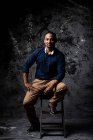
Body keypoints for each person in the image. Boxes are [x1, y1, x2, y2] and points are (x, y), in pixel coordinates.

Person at [22, 31, 67, 133]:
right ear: (44, 41)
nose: (49, 41)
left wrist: (52, 84)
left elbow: (61, 73)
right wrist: (26, 82)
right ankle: (35, 124)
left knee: (63, 87)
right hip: (38, 82)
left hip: (53, 80)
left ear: (55, 40)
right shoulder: (38, 52)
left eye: (51, 39)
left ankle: (52, 103)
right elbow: (26, 66)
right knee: (26, 103)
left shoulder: (60, 55)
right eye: (47, 39)